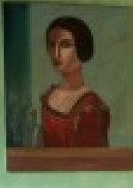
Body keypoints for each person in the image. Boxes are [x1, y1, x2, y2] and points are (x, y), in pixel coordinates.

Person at [39, 15, 110, 147]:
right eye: (52, 45)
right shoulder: (48, 96)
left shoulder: (91, 107)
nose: (56, 54)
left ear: (82, 48)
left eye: (65, 45)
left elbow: (91, 157)